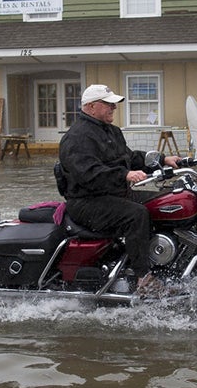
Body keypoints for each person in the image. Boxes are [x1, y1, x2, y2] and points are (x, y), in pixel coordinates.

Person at [59, 84, 180, 294]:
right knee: (136, 215)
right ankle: (143, 278)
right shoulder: (77, 137)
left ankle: (172, 262)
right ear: (91, 106)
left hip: (115, 194)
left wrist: (162, 160)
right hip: (87, 201)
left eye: (113, 104)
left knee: (167, 201)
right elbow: (88, 173)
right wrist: (124, 175)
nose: (113, 108)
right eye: (108, 104)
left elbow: (129, 157)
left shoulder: (110, 131)